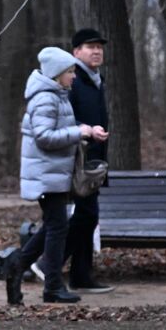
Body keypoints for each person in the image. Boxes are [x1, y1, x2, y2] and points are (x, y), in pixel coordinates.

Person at [6, 47, 109, 304]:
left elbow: (58, 130)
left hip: (53, 175)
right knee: (57, 226)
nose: (74, 76)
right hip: (46, 175)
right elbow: (44, 137)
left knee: (55, 225)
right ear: (57, 74)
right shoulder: (45, 98)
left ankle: (16, 267)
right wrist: (79, 133)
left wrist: (86, 130)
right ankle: (50, 285)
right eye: (70, 72)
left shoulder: (58, 96)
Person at [66, 27, 114, 294]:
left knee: (88, 216)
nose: (96, 51)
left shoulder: (96, 80)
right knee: (86, 215)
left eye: (99, 47)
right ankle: (39, 260)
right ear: (76, 52)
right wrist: (86, 129)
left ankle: (81, 275)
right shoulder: (72, 79)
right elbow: (61, 118)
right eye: (89, 46)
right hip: (75, 161)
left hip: (93, 162)